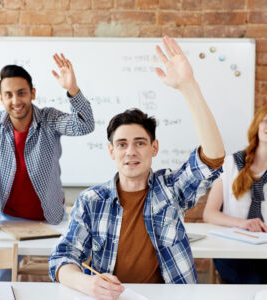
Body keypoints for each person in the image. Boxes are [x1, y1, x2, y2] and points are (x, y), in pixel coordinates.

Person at [49, 36, 225, 300]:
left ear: (154, 148)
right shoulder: (91, 201)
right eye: (121, 144)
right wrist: (88, 285)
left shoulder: (170, 190)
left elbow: (212, 158)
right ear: (112, 151)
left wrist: (189, 87)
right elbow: (62, 259)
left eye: (139, 143)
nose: (130, 151)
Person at [0, 54, 94, 280]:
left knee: (66, 277)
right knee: (0, 282)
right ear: (1, 98)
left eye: (21, 93)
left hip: (51, 219)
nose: (15, 100)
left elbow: (85, 125)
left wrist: (73, 90)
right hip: (9, 218)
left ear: (32, 93)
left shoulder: (49, 119)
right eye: (9, 95)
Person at [203, 106, 267, 284]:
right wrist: (244, 224)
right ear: (257, 125)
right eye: (265, 121)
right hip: (233, 249)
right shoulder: (231, 163)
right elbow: (209, 214)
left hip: (265, 250)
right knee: (253, 282)